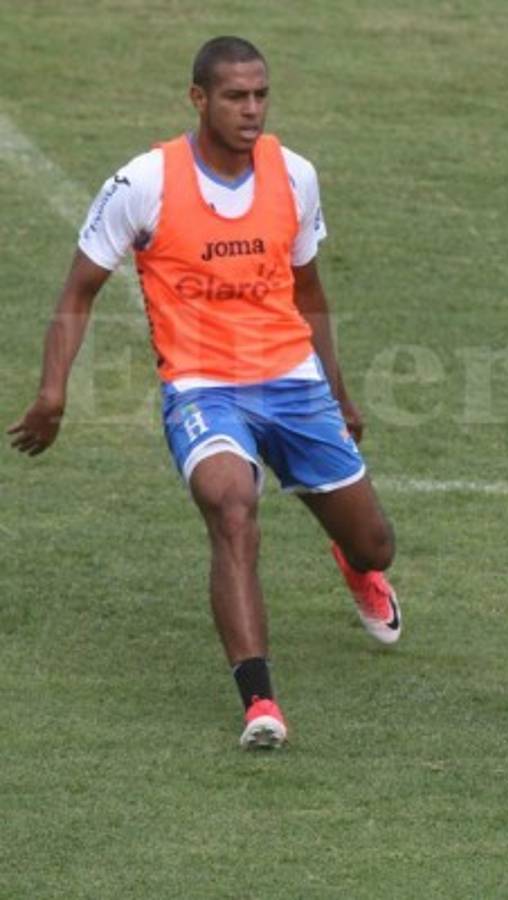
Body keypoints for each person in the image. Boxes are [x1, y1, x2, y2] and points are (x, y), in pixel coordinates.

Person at [7, 36, 402, 750]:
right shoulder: (143, 183)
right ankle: (260, 703)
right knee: (231, 507)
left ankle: (353, 565)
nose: (251, 110)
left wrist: (338, 392)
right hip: (202, 387)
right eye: (235, 97)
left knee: (376, 544)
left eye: (261, 96)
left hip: (292, 381)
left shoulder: (294, 175)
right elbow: (78, 290)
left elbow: (309, 291)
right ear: (199, 100)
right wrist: (52, 393)